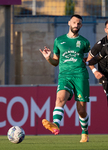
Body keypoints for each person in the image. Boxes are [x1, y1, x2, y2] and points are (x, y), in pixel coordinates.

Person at [39, 14, 90, 142]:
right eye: (74, 22)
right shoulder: (59, 40)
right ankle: (56, 124)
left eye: (78, 23)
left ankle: (84, 131)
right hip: (64, 76)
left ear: (81, 25)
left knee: (81, 110)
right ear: (69, 23)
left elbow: (86, 61)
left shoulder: (84, 42)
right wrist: (48, 58)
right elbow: (56, 62)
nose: (76, 25)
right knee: (60, 98)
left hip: (80, 76)